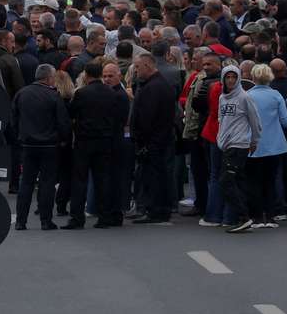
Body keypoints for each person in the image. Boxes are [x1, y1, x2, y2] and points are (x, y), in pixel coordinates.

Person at [63, 62, 126, 229]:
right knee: (102, 180)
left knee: (79, 180)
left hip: (84, 141)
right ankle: (104, 217)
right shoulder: (112, 94)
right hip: (105, 141)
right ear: (100, 75)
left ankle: (77, 218)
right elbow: (119, 118)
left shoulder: (82, 93)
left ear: (86, 75)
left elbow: (71, 113)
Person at [10, 64, 70, 230]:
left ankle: (21, 221)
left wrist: (19, 136)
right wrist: (64, 139)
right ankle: (46, 220)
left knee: (26, 183)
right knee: (47, 183)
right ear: (49, 78)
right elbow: (62, 122)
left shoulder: (22, 93)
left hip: (28, 144)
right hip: (49, 145)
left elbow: (13, 119)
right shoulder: (53, 96)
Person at [129, 53, 178, 224]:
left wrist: (143, 141)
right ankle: (158, 209)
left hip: (154, 141)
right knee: (158, 175)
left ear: (147, 66)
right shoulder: (156, 84)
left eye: (137, 67)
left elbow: (147, 118)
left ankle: (157, 210)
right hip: (158, 140)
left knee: (155, 177)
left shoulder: (154, 87)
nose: (135, 71)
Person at [243, 63, 287, 228]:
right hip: (275, 145)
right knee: (270, 180)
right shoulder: (276, 95)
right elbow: (285, 121)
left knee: (253, 181)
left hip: (253, 144)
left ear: (253, 77)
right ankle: (270, 216)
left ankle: (256, 216)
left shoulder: (247, 95)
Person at [217, 64, 262, 233]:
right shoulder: (222, 98)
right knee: (239, 182)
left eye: (233, 77)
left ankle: (244, 216)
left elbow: (255, 120)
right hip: (226, 145)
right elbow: (222, 120)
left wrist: (254, 140)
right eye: (227, 77)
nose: (230, 80)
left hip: (239, 144)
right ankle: (249, 215)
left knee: (225, 181)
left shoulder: (245, 97)